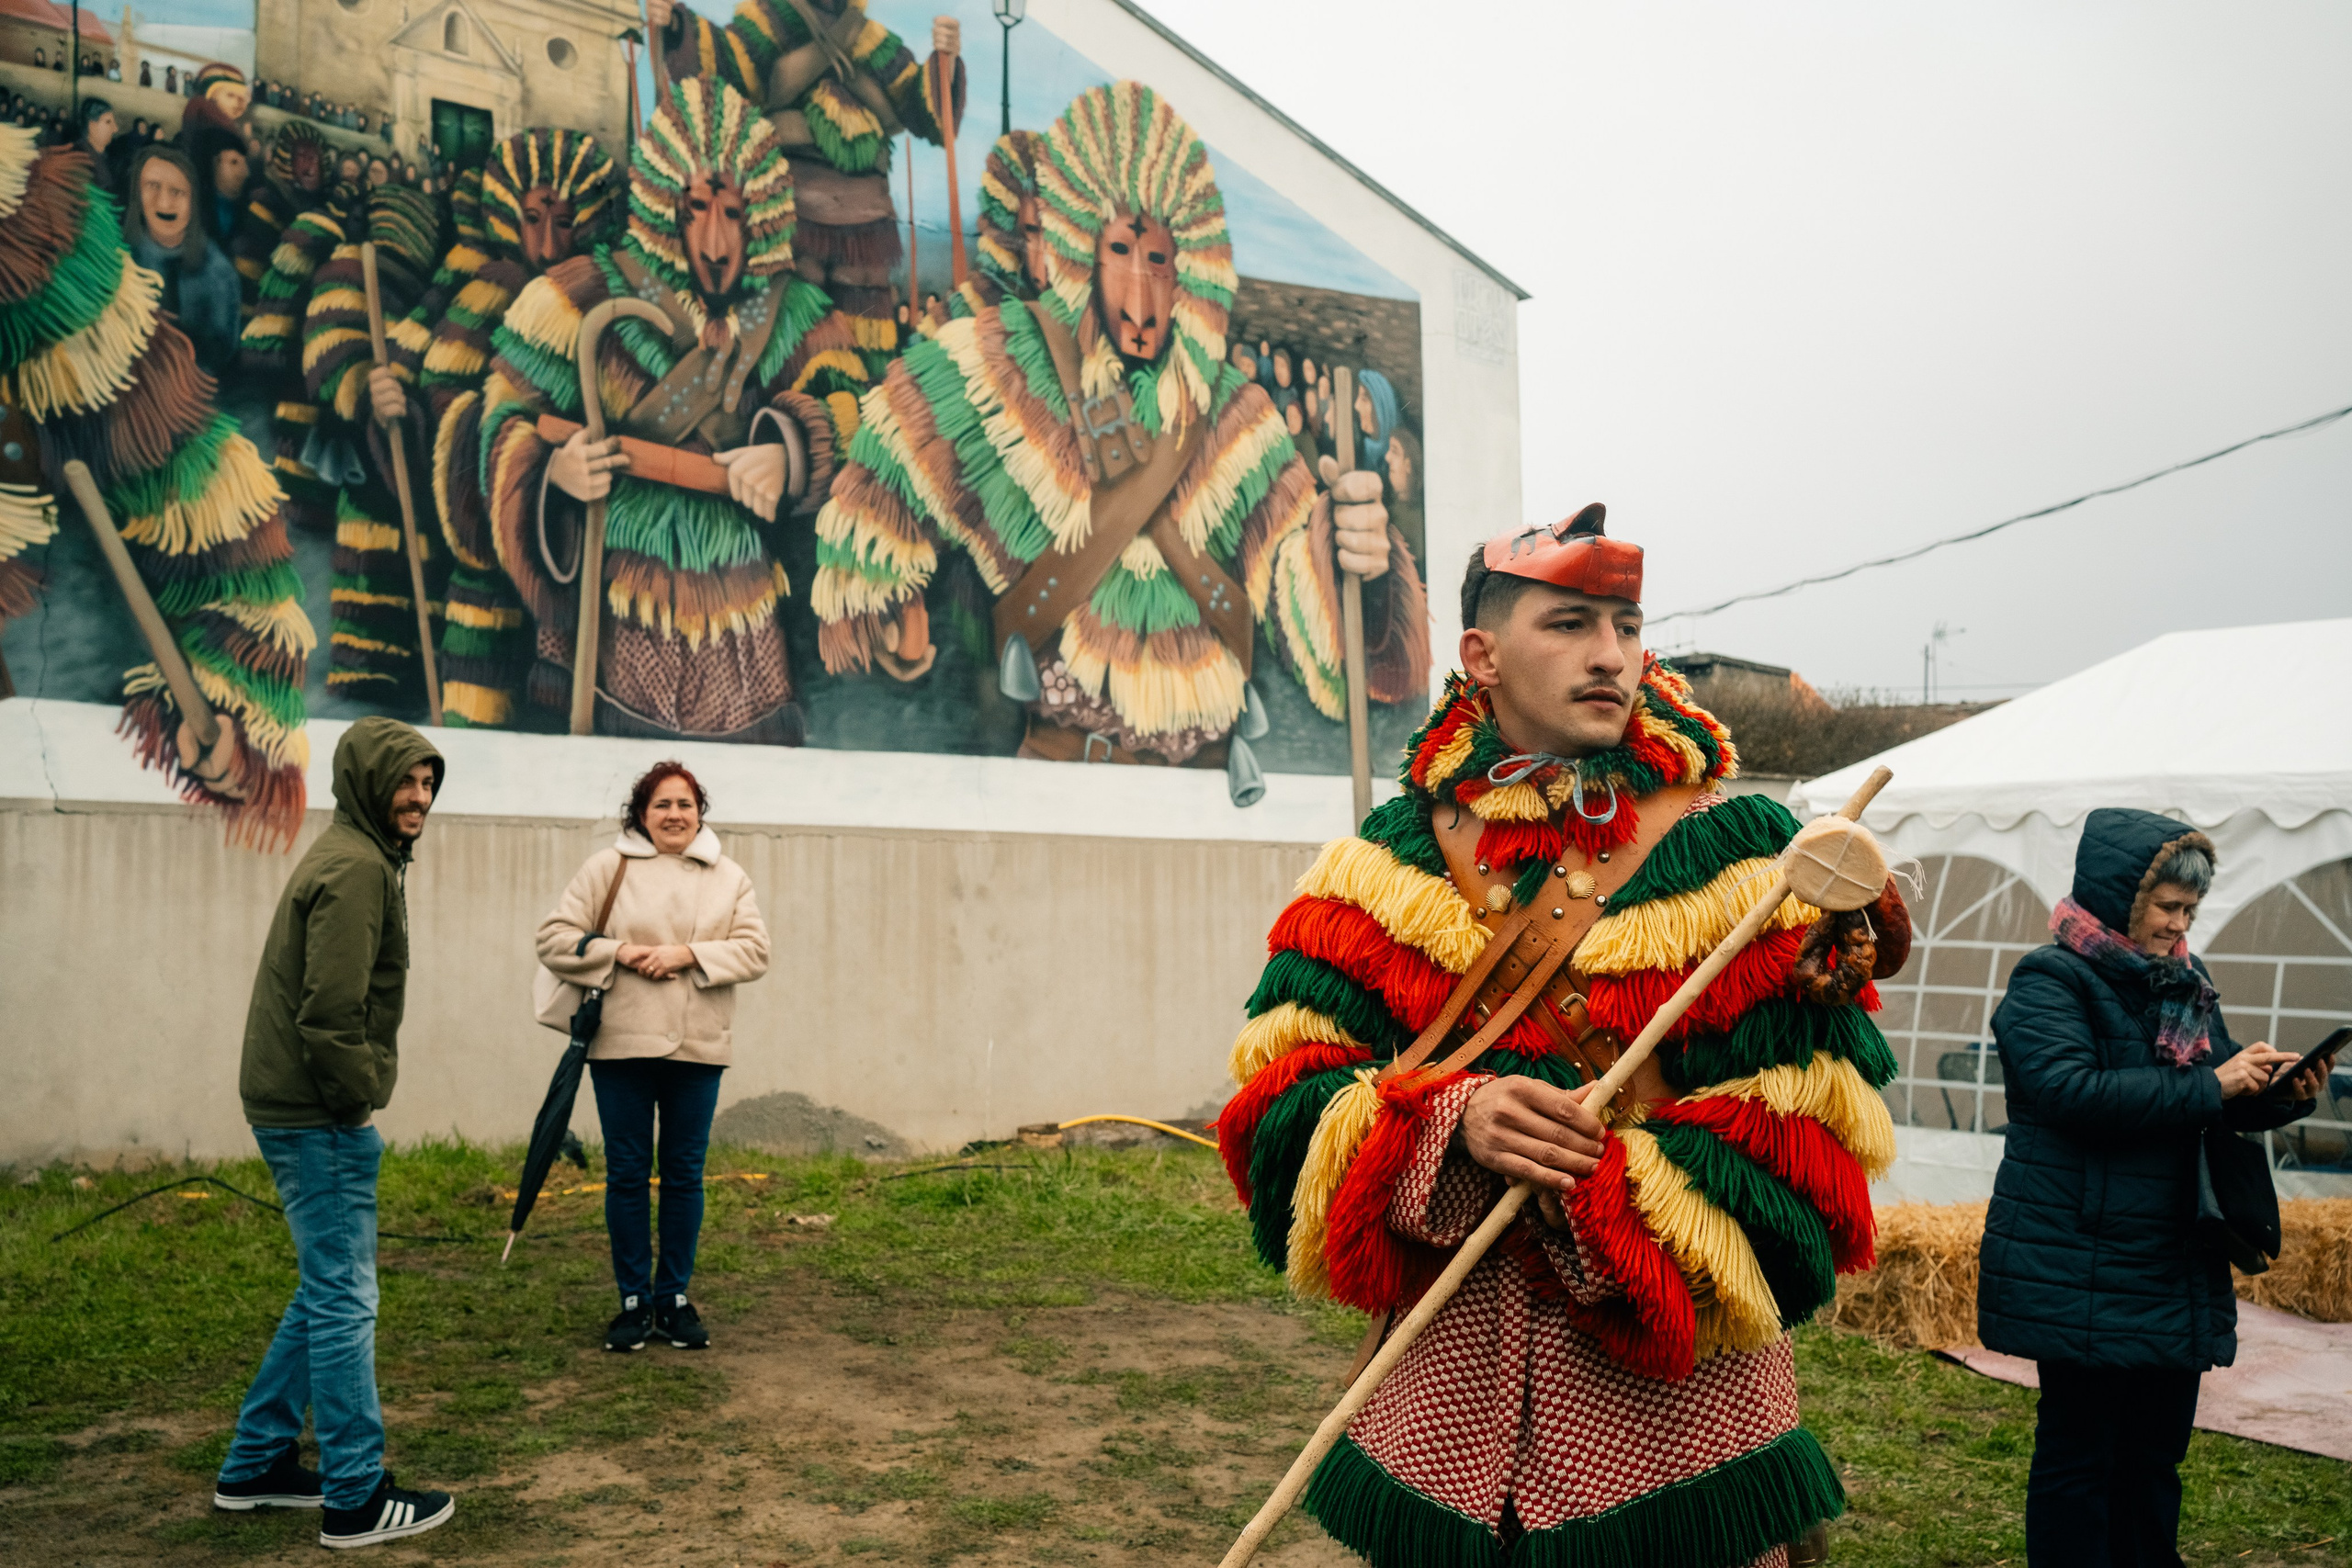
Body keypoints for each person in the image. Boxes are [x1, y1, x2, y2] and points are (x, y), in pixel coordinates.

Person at [1219, 507, 1910, 1565]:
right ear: (1481, 655)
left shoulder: (1748, 859)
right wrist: (1451, 1121)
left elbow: (1810, 1137)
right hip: (1445, 1394)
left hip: (1671, 1414)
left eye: (1626, 627)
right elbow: (1278, 1103)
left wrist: (1602, 1189)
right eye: (1569, 624)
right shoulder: (1379, 866)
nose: (1610, 657)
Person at [811, 82, 1429, 784]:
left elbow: (1298, 593)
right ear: (1082, 254)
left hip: (1207, 781)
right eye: (1119, 251)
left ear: (1191, 270)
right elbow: (897, 439)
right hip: (1060, 767)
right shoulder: (1004, 364)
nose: (1140, 300)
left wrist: (1355, 555)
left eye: (1158, 260)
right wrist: (887, 597)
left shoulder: (1239, 415)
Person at [1977, 809, 2334, 1567]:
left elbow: (2218, 1095)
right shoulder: (2050, 979)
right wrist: (2215, 1083)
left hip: (2172, 1256)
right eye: (2168, 906)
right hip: (2085, 1258)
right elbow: (2070, 1093)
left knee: (2153, 1457)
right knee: (2080, 1458)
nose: (2180, 924)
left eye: (2190, 910)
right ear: (2121, 899)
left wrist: (2281, 1093)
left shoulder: (2186, 983)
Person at [481, 78, 869, 742]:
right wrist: (551, 472)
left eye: (733, 214)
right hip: (610, 604)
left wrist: (793, 452)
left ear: (762, 214)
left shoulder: (796, 314)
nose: (715, 245)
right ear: (666, 206)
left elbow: (859, 413)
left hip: (742, 620)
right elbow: (501, 416)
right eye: (696, 210)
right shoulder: (579, 294)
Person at [212, 717, 457, 1549]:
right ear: (367, 782)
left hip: (297, 1103)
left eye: (428, 782)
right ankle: (355, 1496)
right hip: (316, 1112)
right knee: (347, 1296)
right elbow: (328, 1014)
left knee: (325, 1287)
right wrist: (359, 1100)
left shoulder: (358, 854)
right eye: (405, 781)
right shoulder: (356, 869)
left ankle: (255, 1463)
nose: (419, 796)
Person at [536, 761, 770, 1352]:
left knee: (685, 1174)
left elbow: (755, 951)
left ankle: (675, 1298)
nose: (674, 815)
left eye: (685, 804)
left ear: (700, 813)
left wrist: (686, 954)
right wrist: (619, 952)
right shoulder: (606, 868)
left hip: (698, 1045)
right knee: (628, 1174)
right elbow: (554, 939)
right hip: (622, 1044)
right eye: (661, 804)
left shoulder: (728, 877)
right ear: (641, 814)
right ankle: (633, 1300)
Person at [121, 144, 242, 375]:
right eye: (152, 186)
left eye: (177, 192)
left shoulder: (219, 275)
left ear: (193, 201)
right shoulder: (117, 260)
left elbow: (221, 355)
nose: (164, 203)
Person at [74, 96, 118, 194]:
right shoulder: (79, 159)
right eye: (108, 122)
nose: (115, 129)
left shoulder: (103, 156)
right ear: (92, 126)